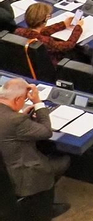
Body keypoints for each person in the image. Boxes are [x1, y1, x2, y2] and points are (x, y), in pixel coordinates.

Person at [0, 76, 70, 214]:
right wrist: (38, 103)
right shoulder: (16, 120)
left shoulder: (14, 118)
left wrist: (22, 116)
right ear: (17, 100)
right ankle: (44, 206)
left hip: (5, 170)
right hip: (22, 176)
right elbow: (46, 131)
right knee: (63, 160)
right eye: (25, 99)